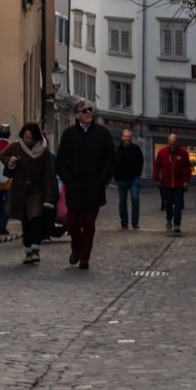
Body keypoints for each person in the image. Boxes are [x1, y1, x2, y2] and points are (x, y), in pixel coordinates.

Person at [55, 99, 116, 270]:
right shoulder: (69, 134)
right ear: (76, 115)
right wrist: (68, 180)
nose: (89, 112)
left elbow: (111, 158)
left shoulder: (102, 133)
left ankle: (84, 257)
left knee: (89, 224)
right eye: (84, 110)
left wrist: (102, 179)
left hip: (94, 189)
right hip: (74, 189)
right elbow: (60, 161)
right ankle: (76, 248)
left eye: (90, 109)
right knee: (72, 222)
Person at [0, 123, 56, 264]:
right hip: (20, 190)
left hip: (36, 191)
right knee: (25, 221)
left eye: (30, 138)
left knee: (35, 219)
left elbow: (49, 174)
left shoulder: (44, 152)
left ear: (36, 138)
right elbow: (2, 155)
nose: (27, 140)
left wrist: (48, 198)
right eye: (25, 137)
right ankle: (28, 249)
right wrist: (10, 161)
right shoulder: (16, 147)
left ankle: (35, 249)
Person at [152, 133, 192, 235]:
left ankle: (177, 224)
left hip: (179, 184)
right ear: (168, 143)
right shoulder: (162, 152)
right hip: (166, 184)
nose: (172, 146)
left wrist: (186, 181)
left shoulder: (183, 153)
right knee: (168, 204)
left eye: (174, 144)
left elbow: (188, 168)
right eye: (170, 144)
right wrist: (156, 178)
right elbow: (157, 166)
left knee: (178, 204)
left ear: (177, 143)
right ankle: (169, 218)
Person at [113, 128, 144, 230]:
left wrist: (138, 173)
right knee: (122, 201)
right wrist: (116, 176)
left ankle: (135, 222)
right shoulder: (117, 150)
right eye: (126, 136)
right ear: (122, 137)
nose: (128, 138)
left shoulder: (136, 149)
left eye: (129, 137)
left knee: (135, 199)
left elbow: (141, 161)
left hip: (134, 178)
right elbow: (113, 164)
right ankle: (124, 222)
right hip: (121, 179)